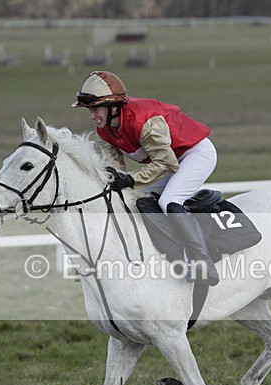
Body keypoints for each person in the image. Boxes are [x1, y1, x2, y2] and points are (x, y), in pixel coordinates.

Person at [72, 70, 220, 285]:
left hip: (195, 154)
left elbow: (166, 163)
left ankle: (202, 262)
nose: (92, 116)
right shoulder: (104, 130)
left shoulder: (145, 120)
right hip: (168, 160)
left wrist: (130, 180)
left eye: (95, 110)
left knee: (169, 200)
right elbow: (115, 169)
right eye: (90, 110)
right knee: (133, 201)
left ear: (113, 107)